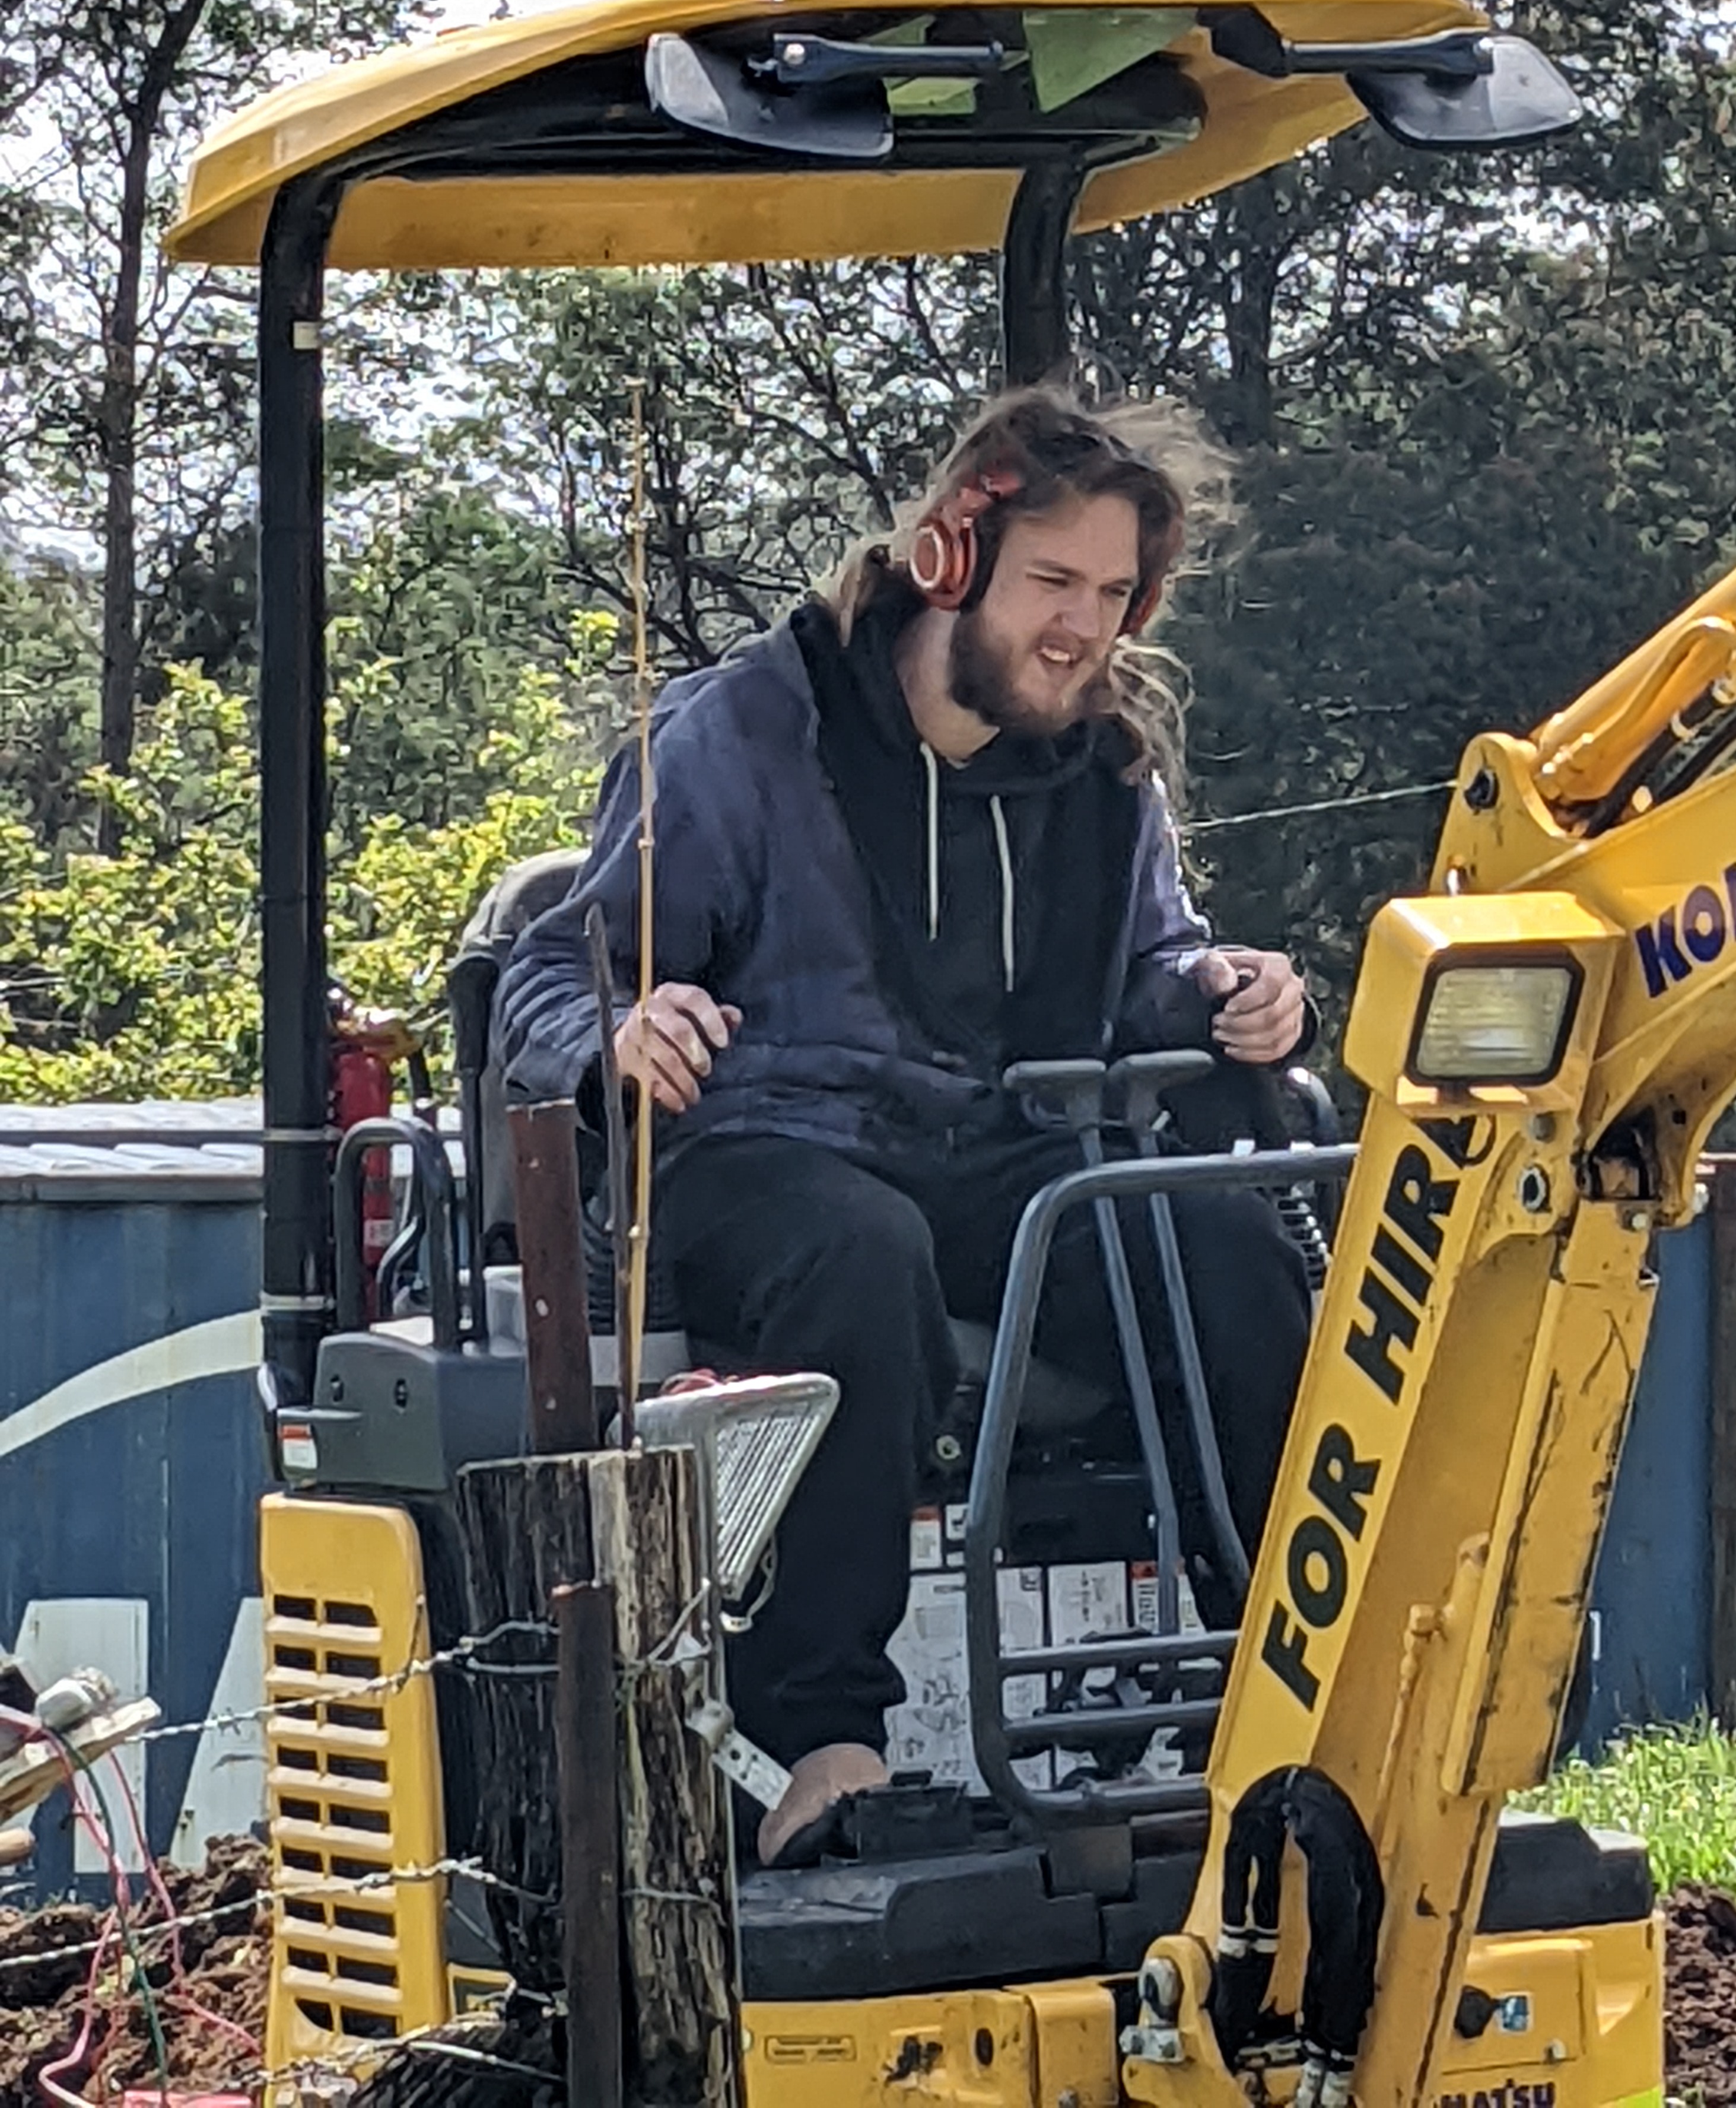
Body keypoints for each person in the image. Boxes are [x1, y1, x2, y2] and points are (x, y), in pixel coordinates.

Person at [497, 386, 1314, 1864]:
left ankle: (1290, 1706)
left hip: (1007, 1159)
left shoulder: (1107, 766)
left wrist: (1222, 987)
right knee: (860, 1255)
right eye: (1053, 582)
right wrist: (617, 1032)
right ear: (950, 557)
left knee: (1219, 1242)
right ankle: (827, 1744)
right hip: (762, 1153)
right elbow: (560, 965)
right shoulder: (745, 732)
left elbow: (1145, 968)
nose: (1085, 627)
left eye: (1116, 593)